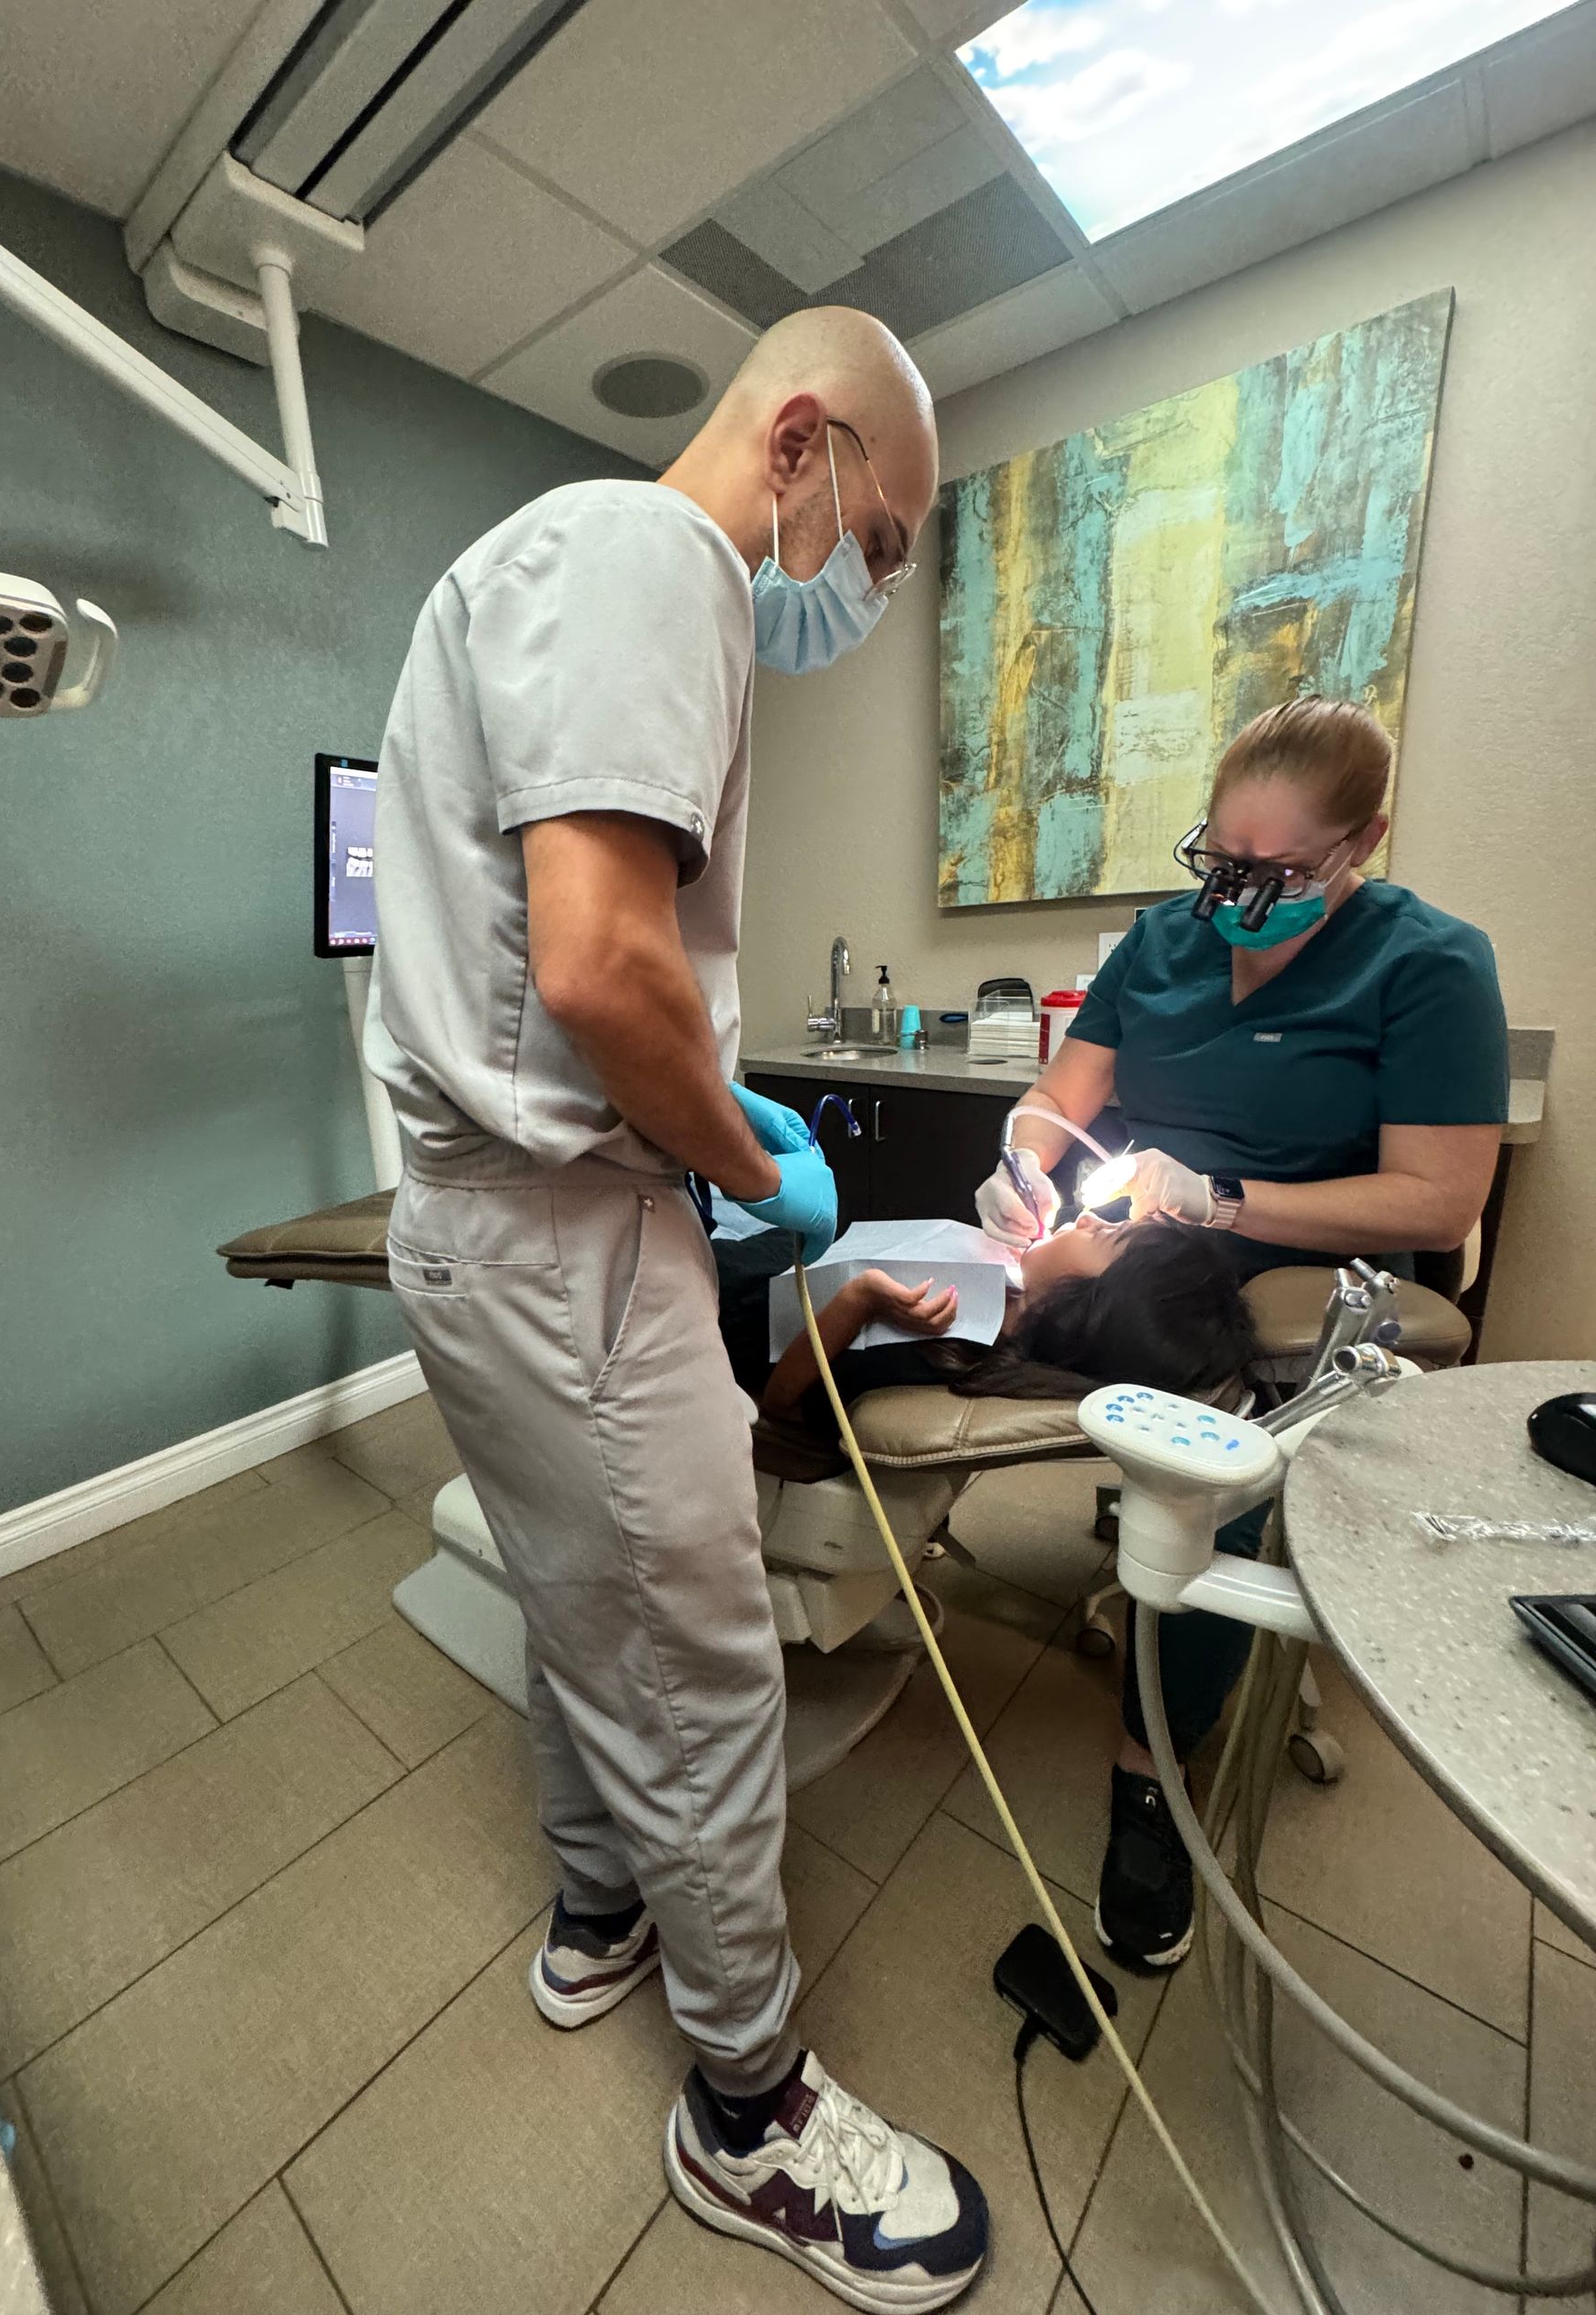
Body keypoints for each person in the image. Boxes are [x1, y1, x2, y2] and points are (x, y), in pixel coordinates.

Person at [365, 308, 992, 2311]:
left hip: (485, 1224)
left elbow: (607, 972)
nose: (867, 588)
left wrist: (715, 1115)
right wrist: (752, 1159)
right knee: (698, 1651)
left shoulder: (558, 568)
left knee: (577, 1592)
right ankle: (751, 2114)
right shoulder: (657, 561)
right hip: (568, 1233)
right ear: (799, 443)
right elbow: (602, 973)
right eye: (882, 540)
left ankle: (599, 1902)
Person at [974, 696, 1507, 1971]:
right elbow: (1063, 1091)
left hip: (1292, 1257)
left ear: (1363, 842)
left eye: (1277, 874)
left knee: (1217, 1449)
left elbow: (1440, 1198)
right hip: (1141, 1242)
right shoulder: (1158, 944)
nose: (1238, 896)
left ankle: (1150, 1770)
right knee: (952, 1308)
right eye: (1222, 862)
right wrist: (1024, 1159)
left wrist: (1225, 1198)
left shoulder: (1427, 966)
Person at [713, 1212, 1258, 1424]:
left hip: (714, 1302)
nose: (1087, 1217)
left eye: (1105, 1235)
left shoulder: (941, 1341)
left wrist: (857, 1301)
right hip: (766, 1255)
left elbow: (780, 1405)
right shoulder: (993, 1297)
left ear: (1085, 1305)